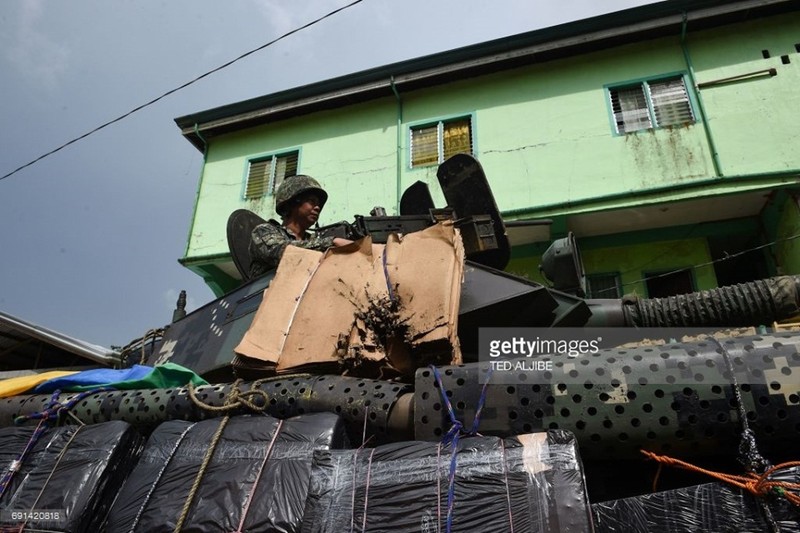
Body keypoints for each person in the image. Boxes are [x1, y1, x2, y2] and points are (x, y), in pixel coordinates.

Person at [249, 175, 352, 277]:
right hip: (266, 291)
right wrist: (332, 242)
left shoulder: (313, 239)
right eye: (312, 201)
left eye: (319, 205)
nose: (317, 208)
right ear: (293, 203)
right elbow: (284, 252)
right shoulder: (263, 231)